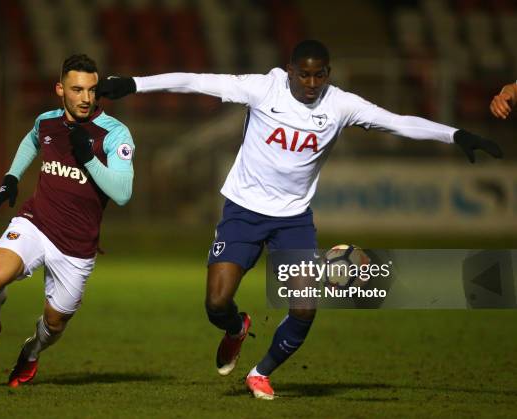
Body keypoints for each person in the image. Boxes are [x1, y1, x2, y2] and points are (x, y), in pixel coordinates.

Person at [95, 40, 502, 400]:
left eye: (318, 75)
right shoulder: (262, 88)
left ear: (328, 74)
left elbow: (398, 122)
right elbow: (195, 80)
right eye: (303, 75)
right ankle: (237, 328)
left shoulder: (341, 105)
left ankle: (260, 374)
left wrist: (456, 134)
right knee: (217, 303)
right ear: (290, 71)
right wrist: (135, 84)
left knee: (305, 307)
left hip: (293, 220)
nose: (310, 83)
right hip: (243, 211)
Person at [0, 54, 135, 387]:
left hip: (77, 245)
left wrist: (88, 156)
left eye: (92, 90)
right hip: (37, 221)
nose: (86, 98)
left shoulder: (114, 133)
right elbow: (32, 139)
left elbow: (122, 193)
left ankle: (31, 351)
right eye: (77, 90)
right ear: (60, 89)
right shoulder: (47, 122)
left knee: (55, 322)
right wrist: (11, 178)